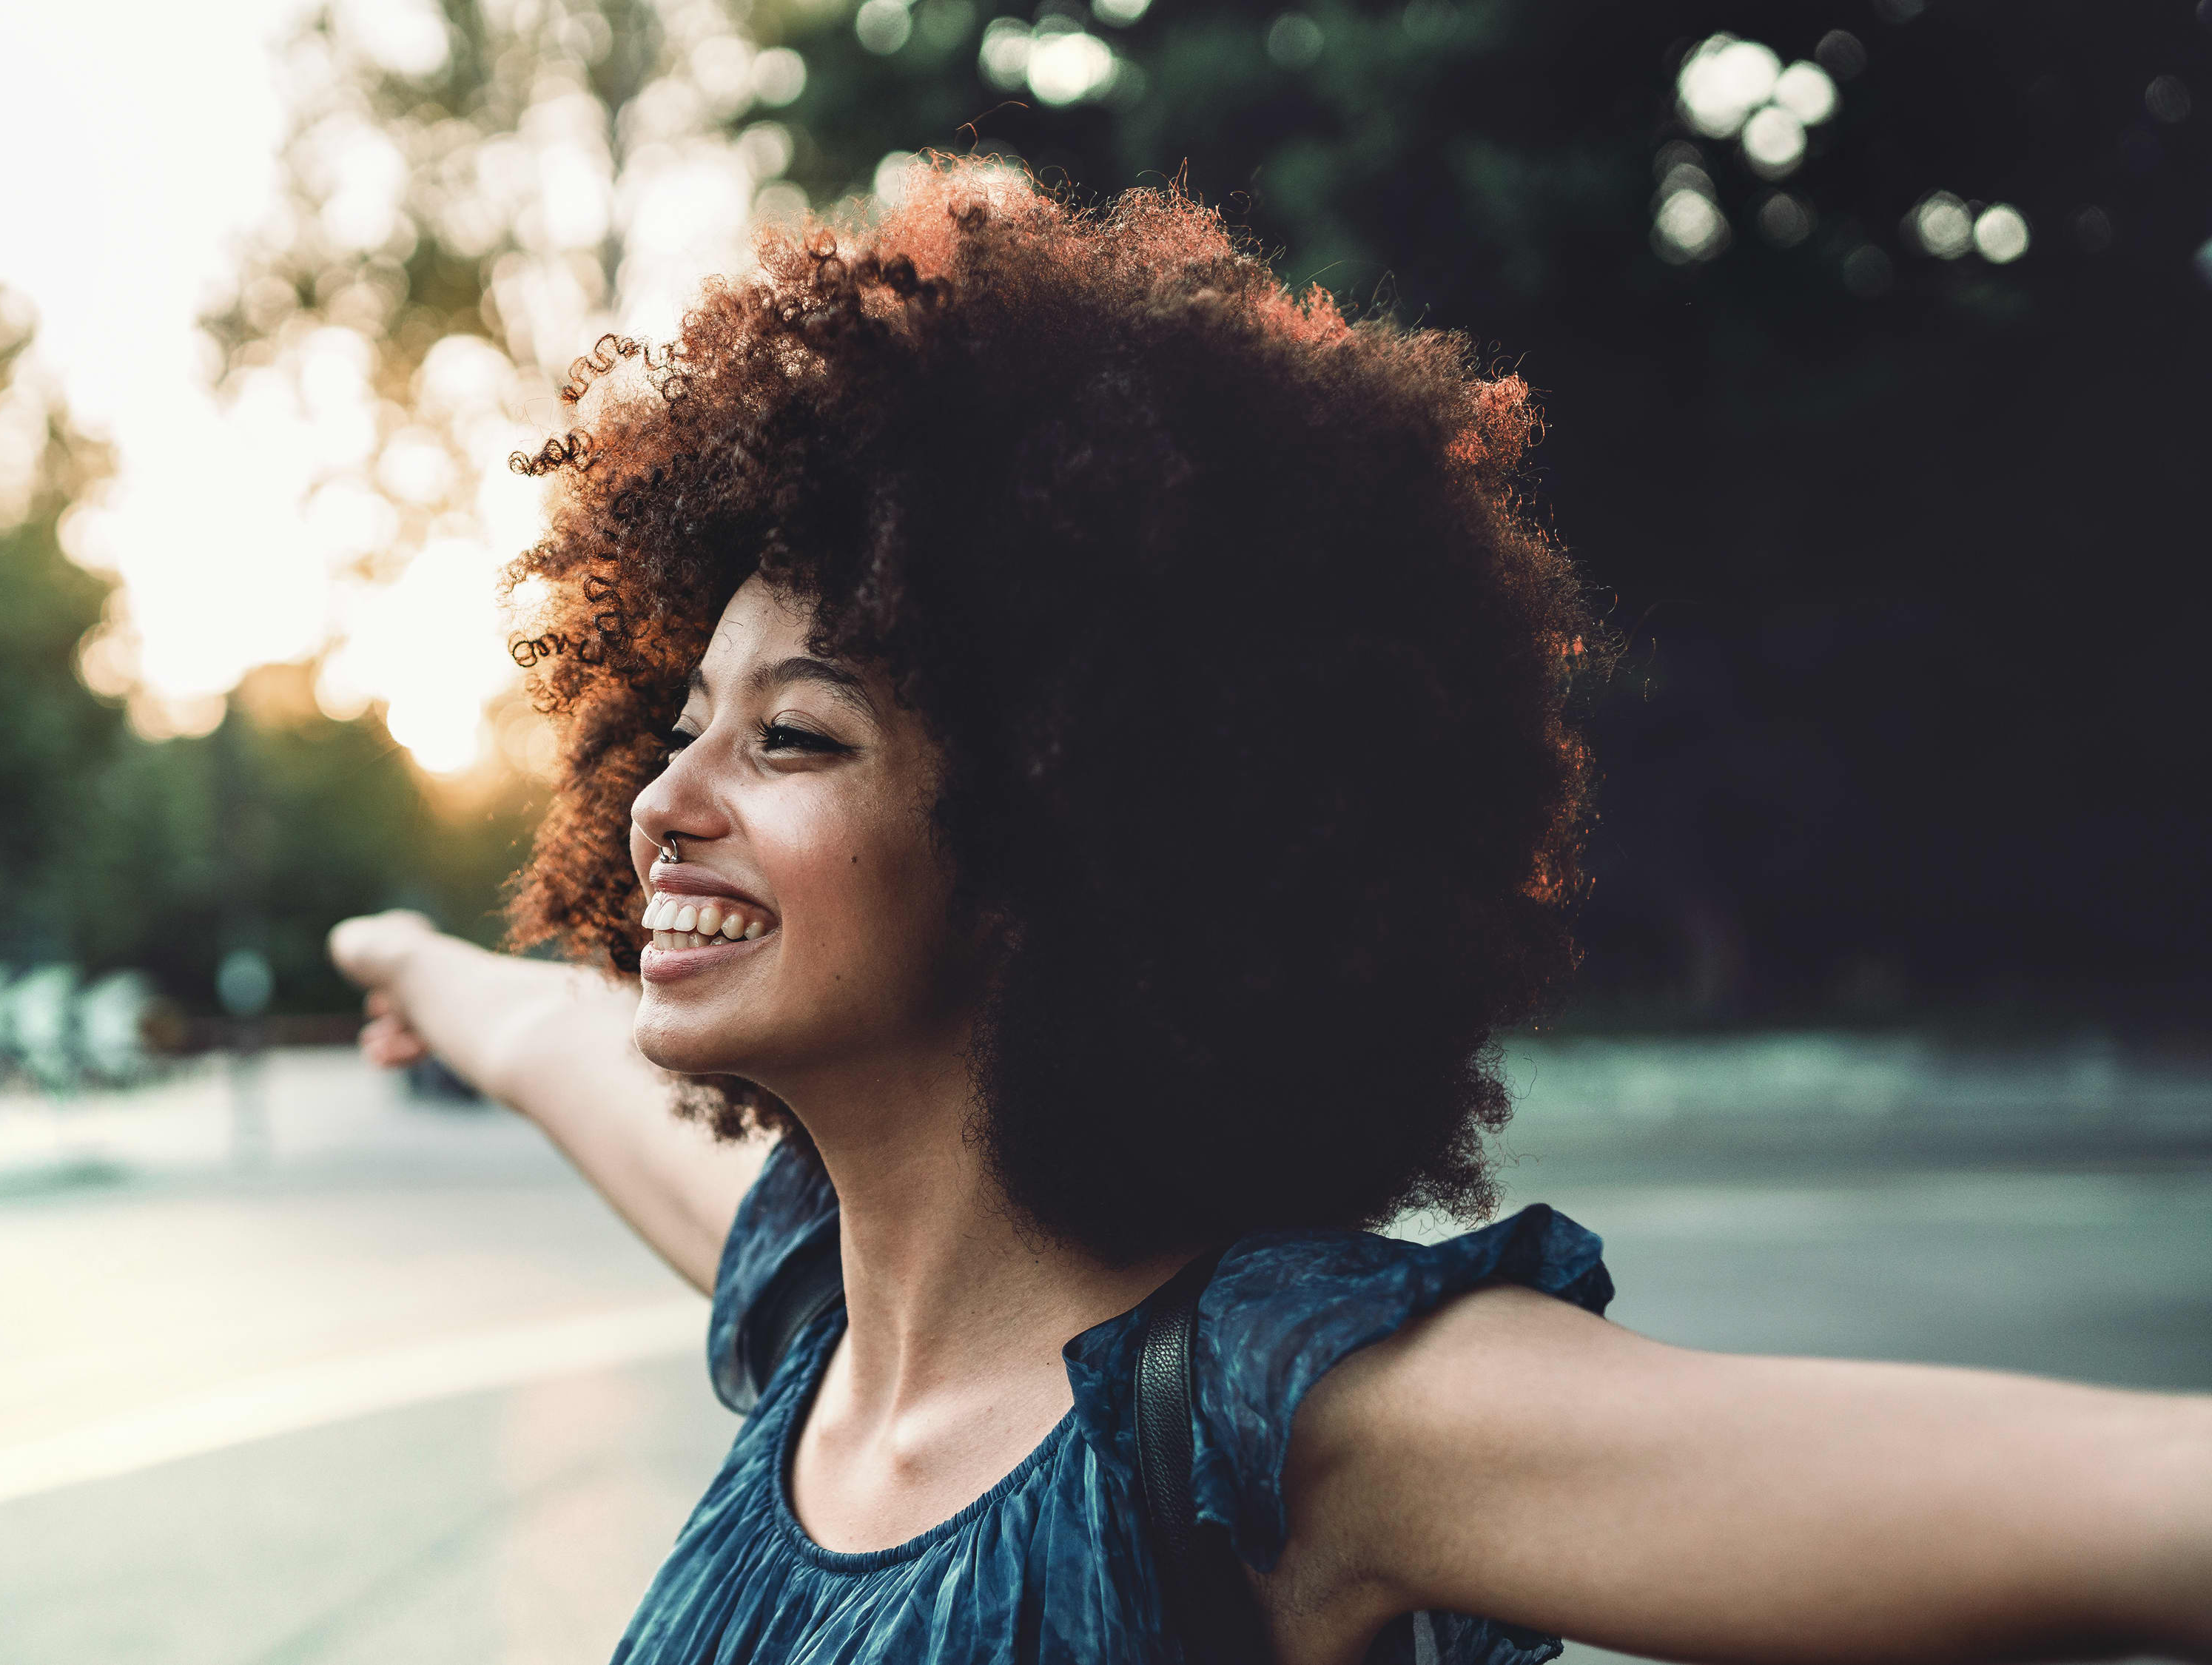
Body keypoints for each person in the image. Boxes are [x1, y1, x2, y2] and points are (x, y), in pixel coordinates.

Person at [329, 167, 2212, 1661]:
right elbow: (551, 1036)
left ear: (1056, 828)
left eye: (793, 737)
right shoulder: (813, 1309)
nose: (664, 804)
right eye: (677, 730)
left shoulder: (1272, 1420)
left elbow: (2132, 1496)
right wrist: (410, 965)